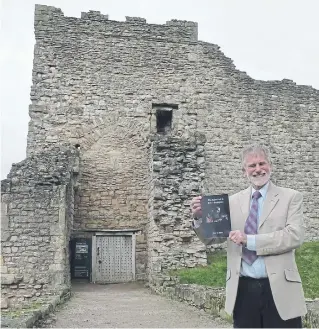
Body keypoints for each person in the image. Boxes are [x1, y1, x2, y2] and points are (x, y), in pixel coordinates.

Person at [190, 143, 306, 328]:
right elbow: (212, 238)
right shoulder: (231, 202)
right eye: (252, 165)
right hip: (243, 289)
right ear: (244, 170)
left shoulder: (291, 197)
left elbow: (294, 235)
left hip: (280, 289)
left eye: (262, 163)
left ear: (271, 166)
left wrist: (249, 240)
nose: (258, 169)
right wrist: (198, 218)